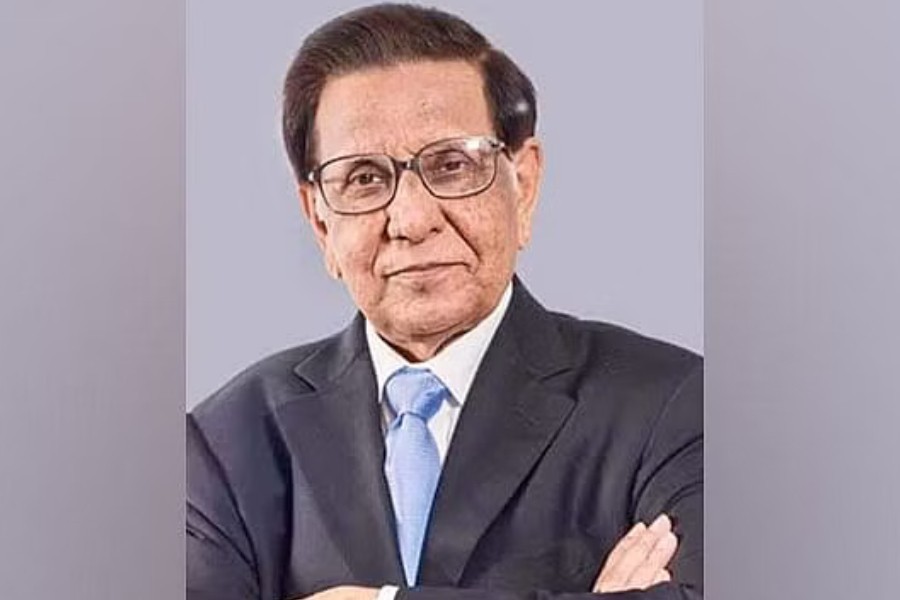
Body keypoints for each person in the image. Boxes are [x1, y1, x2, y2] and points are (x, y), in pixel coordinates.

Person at [186, 4, 702, 600]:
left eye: (453, 165)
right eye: (364, 178)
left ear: (524, 184)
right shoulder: (227, 443)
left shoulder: (673, 404)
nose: (411, 219)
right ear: (320, 221)